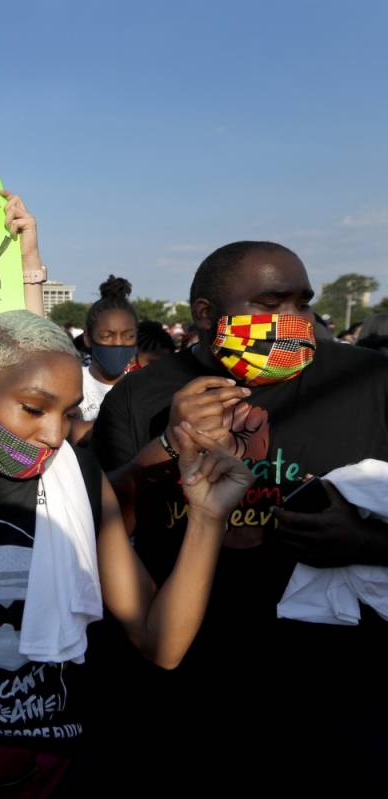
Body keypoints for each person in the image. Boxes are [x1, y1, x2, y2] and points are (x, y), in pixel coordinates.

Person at [0, 310, 253, 797]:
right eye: (34, 408)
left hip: (59, 773)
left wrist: (207, 518)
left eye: (69, 412)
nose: (54, 436)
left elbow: (163, 643)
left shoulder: (81, 481)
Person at [92, 241, 388, 788]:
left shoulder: (370, 380)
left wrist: (367, 543)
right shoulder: (140, 396)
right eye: (271, 304)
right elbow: (108, 525)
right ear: (206, 315)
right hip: (193, 678)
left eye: (303, 302)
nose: (294, 320)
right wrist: (164, 445)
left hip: (339, 686)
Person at [77, 276, 139, 425]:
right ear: (87, 338)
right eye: (107, 336)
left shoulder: (142, 388)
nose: (118, 343)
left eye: (128, 336)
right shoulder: (74, 382)